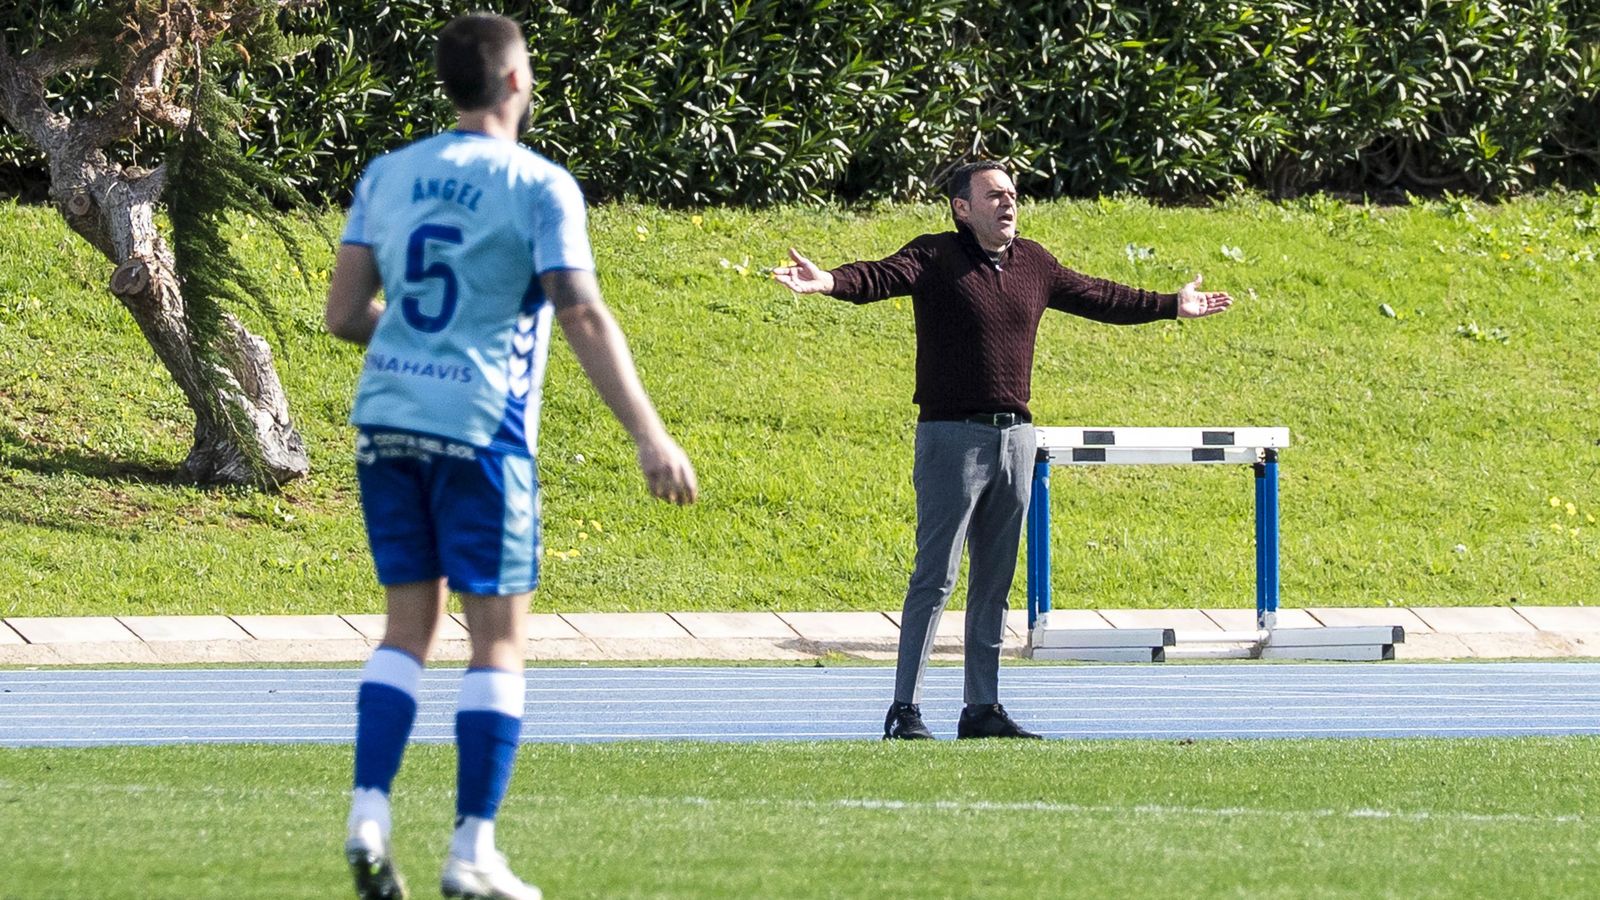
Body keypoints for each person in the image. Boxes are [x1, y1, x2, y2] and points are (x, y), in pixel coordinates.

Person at [323, 13, 697, 899]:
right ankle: (472, 849)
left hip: (388, 421)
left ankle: (369, 812)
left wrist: (419, 338)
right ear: (518, 80)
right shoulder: (539, 185)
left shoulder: (388, 173)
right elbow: (581, 311)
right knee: (497, 643)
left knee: (405, 631)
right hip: (481, 428)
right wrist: (650, 435)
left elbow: (343, 316)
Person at [773, 161, 1231, 740]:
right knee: (936, 577)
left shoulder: (1034, 262)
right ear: (962, 208)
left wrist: (1169, 304)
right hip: (952, 437)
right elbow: (879, 277)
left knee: (994, 581)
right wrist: (830, 281)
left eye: (1012, 193)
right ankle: (905, 709)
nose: (1008, 203)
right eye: (994, 195)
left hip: (1016, 438)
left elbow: (1099, 295)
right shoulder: (936, 255)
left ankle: (981, 708)